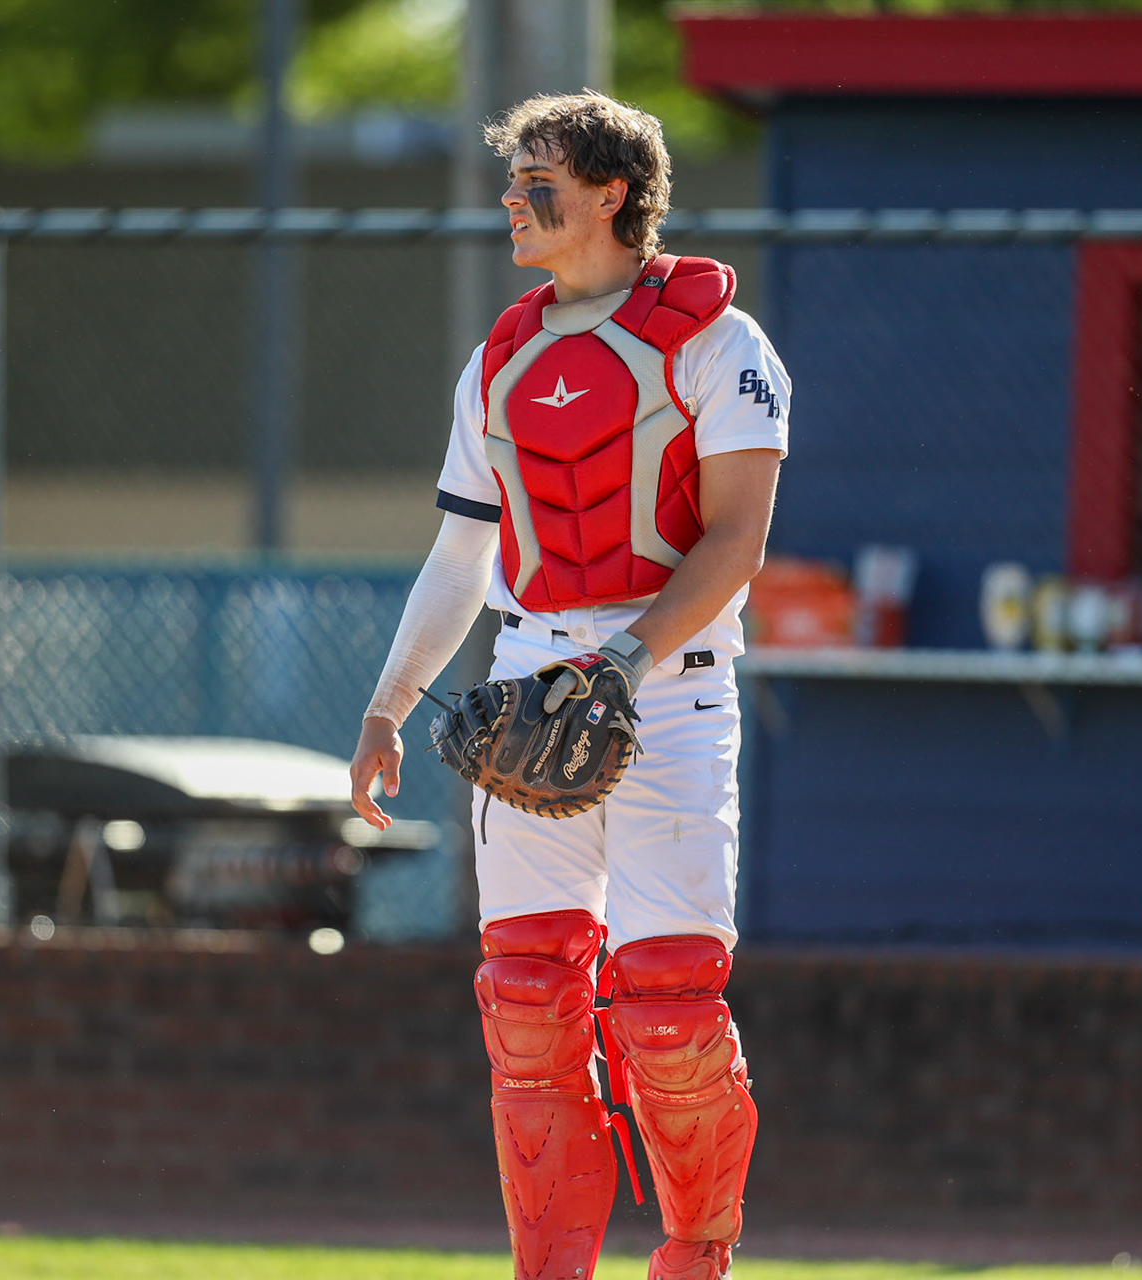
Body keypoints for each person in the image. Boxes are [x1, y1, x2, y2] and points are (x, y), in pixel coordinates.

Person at [348, 92, 789, 1280]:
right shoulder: (498, 356)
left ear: (612, 194)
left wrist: (624, 662)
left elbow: (737, 541)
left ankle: (696, 1254)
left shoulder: (717, 339)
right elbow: (461, 553)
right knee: (530, 1005)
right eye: (512, 180)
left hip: (672, 691)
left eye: (537, 183)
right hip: (527, 684)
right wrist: (391, 703)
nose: (513, 203)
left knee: (669, 1008)